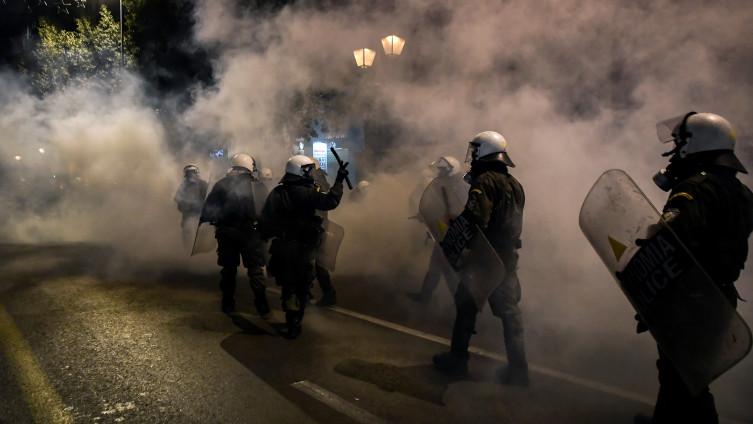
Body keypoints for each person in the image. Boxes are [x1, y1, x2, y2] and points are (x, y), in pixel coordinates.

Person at [636, 112, 753, 424]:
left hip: (689, 297)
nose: (674, 151)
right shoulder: (742, 192)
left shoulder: (695, 188)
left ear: (692, 144)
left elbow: (673, 238)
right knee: (681, 374)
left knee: (686, 381)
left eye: (678, 143)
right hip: (719, 295)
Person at [432, 131, 529, 386]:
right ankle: (519, 371)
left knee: (466, 306)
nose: (472, 155)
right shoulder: (515, 184)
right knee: (511, 315)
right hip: (507, 258)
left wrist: (455, 231)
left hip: (485, 259)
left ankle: (457, 361)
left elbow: (477, 219)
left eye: (475, 150)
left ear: (484, 151)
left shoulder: (484, 181)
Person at [261, 155, 348, 338]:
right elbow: (331, 201)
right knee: (302, 284)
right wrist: (339, 180)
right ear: (300, 170)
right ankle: (295, 320)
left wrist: (265, 237)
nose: (311, 173)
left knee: (288, 284)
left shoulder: (277, 193)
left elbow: (266, 220)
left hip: (282, 246)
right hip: (304, 248)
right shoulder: (308, 192)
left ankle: (291, 316)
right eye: (309, 170)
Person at [200, 153, 270, 316]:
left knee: (229, 270)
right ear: (249, 167)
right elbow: (266, 211)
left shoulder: (222, 184)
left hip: (227, 234)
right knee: (255, 270)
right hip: (251, 235)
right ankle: (262, 305)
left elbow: (209, 209)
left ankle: (228, 303)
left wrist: (212, 219)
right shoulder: (258, 186)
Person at [407, 156, 466, 303]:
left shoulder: (459, 185)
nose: (439, 172)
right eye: (439, 170)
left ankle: (461, 303)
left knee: (448, 269)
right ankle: (425, 296)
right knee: (436, 266)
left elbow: (454, 208)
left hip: (454, 233)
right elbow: (436, 205)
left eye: (443, 170)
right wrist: (424, 214)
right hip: (444, 232)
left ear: (452, 170)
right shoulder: (444, 183)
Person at [309, 159, 338, 307]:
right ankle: (325, 293)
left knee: (312, 261)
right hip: (319, 226)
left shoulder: (316, 181)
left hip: (314, 227)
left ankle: (327, 294)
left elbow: (317, 202)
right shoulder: (320, 179)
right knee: (317, 262)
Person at [174, 164, 208, 247]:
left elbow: (209, 197)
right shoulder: (184, 185)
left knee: (202, 234)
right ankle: (187, 252)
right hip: (188, 214)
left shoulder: (203, 184)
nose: (190, 175)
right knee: (187, 232)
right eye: (188, 173)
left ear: (196, 173)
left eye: (192, 173)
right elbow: (177, 197)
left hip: (201, 215)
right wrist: (185, 203)